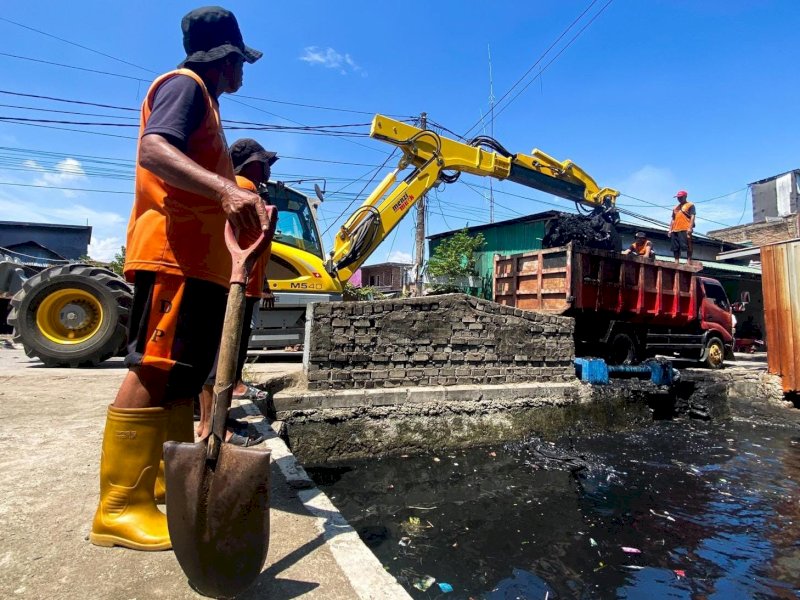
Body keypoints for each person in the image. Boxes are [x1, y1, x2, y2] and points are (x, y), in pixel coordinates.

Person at [89, 6, 265, 552]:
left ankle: (164, 480)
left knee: (180, 380)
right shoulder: (185, 86)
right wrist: (227, 191)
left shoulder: (206, 103)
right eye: (242, 61)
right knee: (155, 370)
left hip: (198, 263)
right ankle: (118, 507)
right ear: (225, 58)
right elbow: (153, 148)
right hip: (173, 256)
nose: (244, 73)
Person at [197, 139, 279, 444]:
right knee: (221, 358)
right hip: (236, 284)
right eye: (266, 163)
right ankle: (212, 428)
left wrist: (264, 283)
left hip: (245, 282)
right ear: (254, 164)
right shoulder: (244, 186)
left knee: (226, 357)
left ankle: (217, 422)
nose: (269, 169)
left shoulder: (246, 187)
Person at [668, 190, 695, 264]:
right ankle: (676, 261)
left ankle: (688, 260)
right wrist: (670, 230)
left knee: (687, 245)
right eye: (678, 197)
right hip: (675, 229)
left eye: (680, 197)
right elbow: (673, 219)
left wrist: (690, 227)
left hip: (685, 228)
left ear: (685, 196)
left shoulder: (690, 205)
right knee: (675, 247)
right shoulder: (675, 207)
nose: (679, 198)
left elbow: (692, 216)